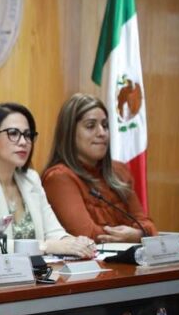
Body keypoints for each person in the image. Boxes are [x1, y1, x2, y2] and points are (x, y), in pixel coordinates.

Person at [0, 103, 94, 264]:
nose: (24, 142)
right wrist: (46, 246)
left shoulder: (30, 179)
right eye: (13, 133)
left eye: (27, 135)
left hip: (37, 273)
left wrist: (75, 243)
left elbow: (55, 232)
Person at [42, 93, 157, 242]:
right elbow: (86, 234)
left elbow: (148, 225)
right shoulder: (58, 177)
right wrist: (134, 236)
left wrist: (138, 234)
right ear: (69, 132)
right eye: (90, 126)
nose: (102, 133)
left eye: (105, 125)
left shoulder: (119, 172)